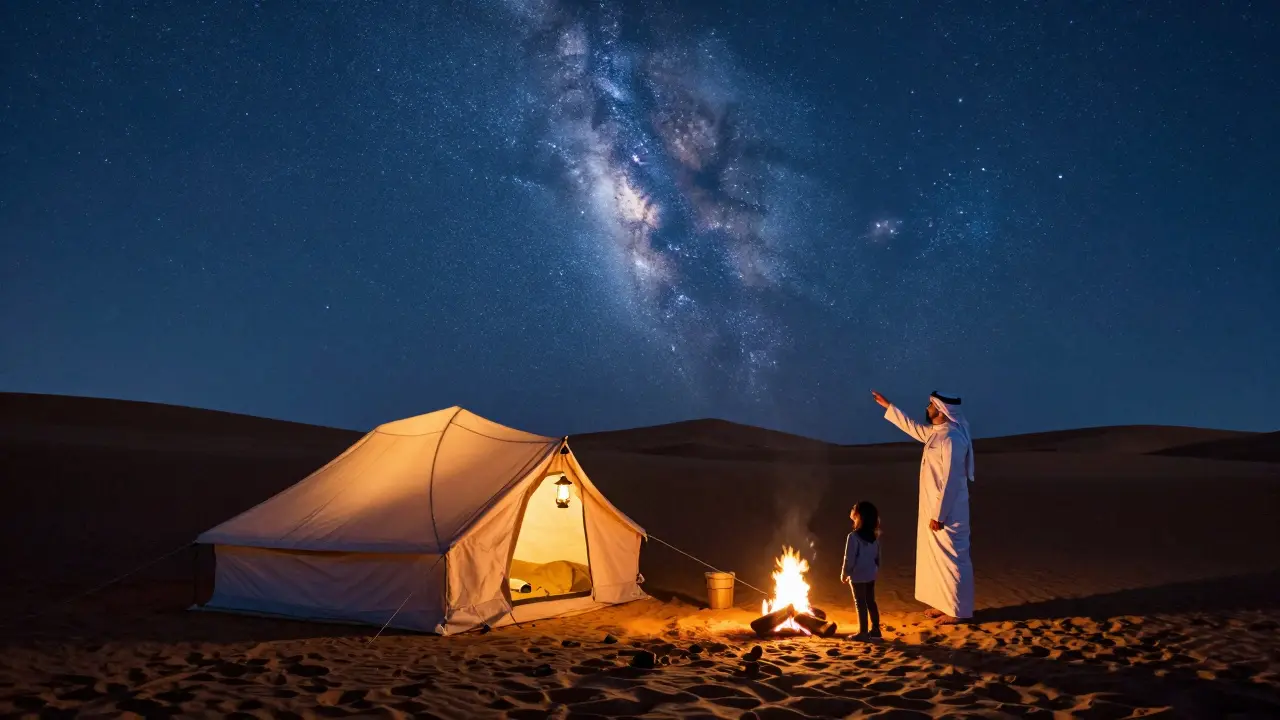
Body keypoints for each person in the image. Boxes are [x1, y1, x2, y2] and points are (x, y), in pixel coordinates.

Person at [871, 389, 975, 624]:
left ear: (941, 410)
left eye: (930, 405)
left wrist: (940, 515)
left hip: (948, 513)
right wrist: (889, 406)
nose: (927, 408)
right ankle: (944, 604)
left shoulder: (952, 439)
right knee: (937, 559)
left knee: (952, 560)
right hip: (935, 511)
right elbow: (912, 427)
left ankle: (957, 612)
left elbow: (950, 480)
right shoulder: (938, 434)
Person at [840, 500, 882, 639]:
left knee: (860, 603)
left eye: (854, 508)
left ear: (859, 516)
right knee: (871, 601)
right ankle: (876, 629)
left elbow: (849, 557)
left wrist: (845, 573)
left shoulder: (853, 537)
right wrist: (875, 568)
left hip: (858, 575)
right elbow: (877, 556)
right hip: (870, 574)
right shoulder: (873, 536)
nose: (851, 509)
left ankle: (863, 632)